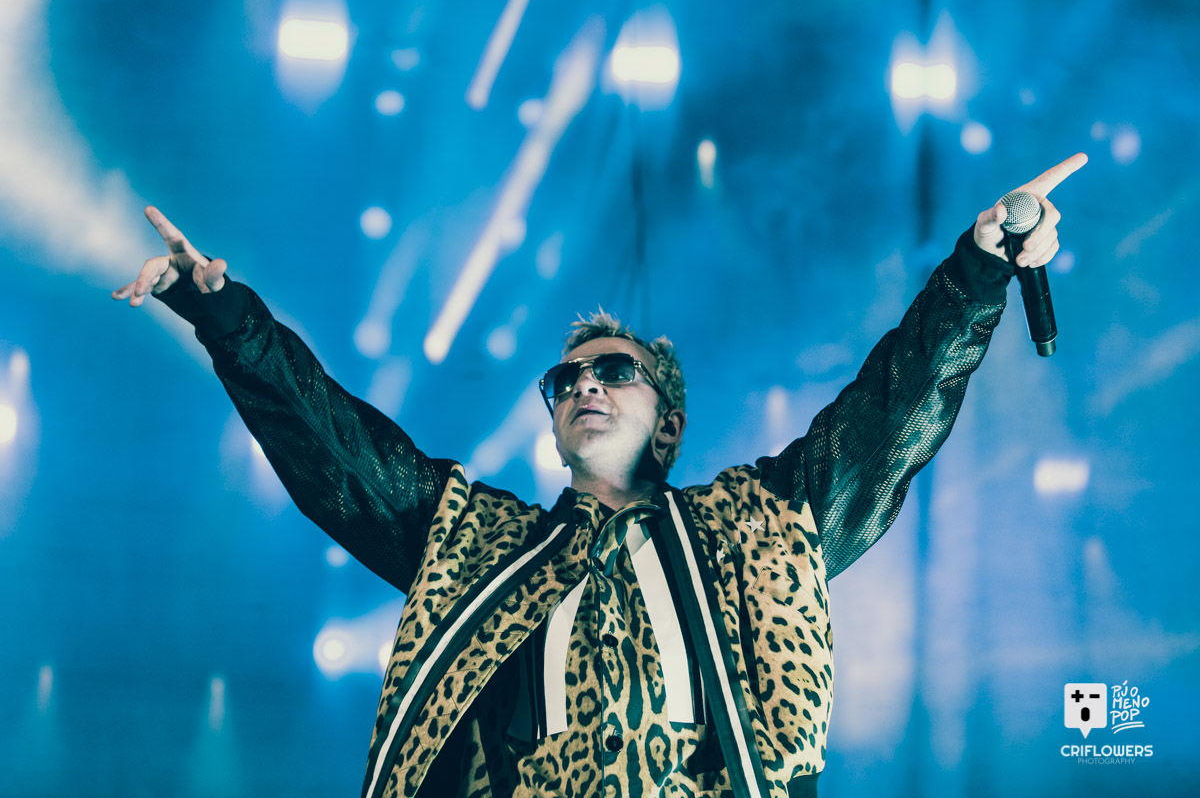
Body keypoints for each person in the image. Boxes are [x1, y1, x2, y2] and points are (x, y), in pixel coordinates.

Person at [113, 153, 1087, 798]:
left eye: (615, 370)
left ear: (668, 418)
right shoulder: (480, 545)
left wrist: (978, 269)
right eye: (566, 379)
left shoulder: (753, 529)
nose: (584, 382)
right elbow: (339, 451)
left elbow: (888, 419)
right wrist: (227, 318)